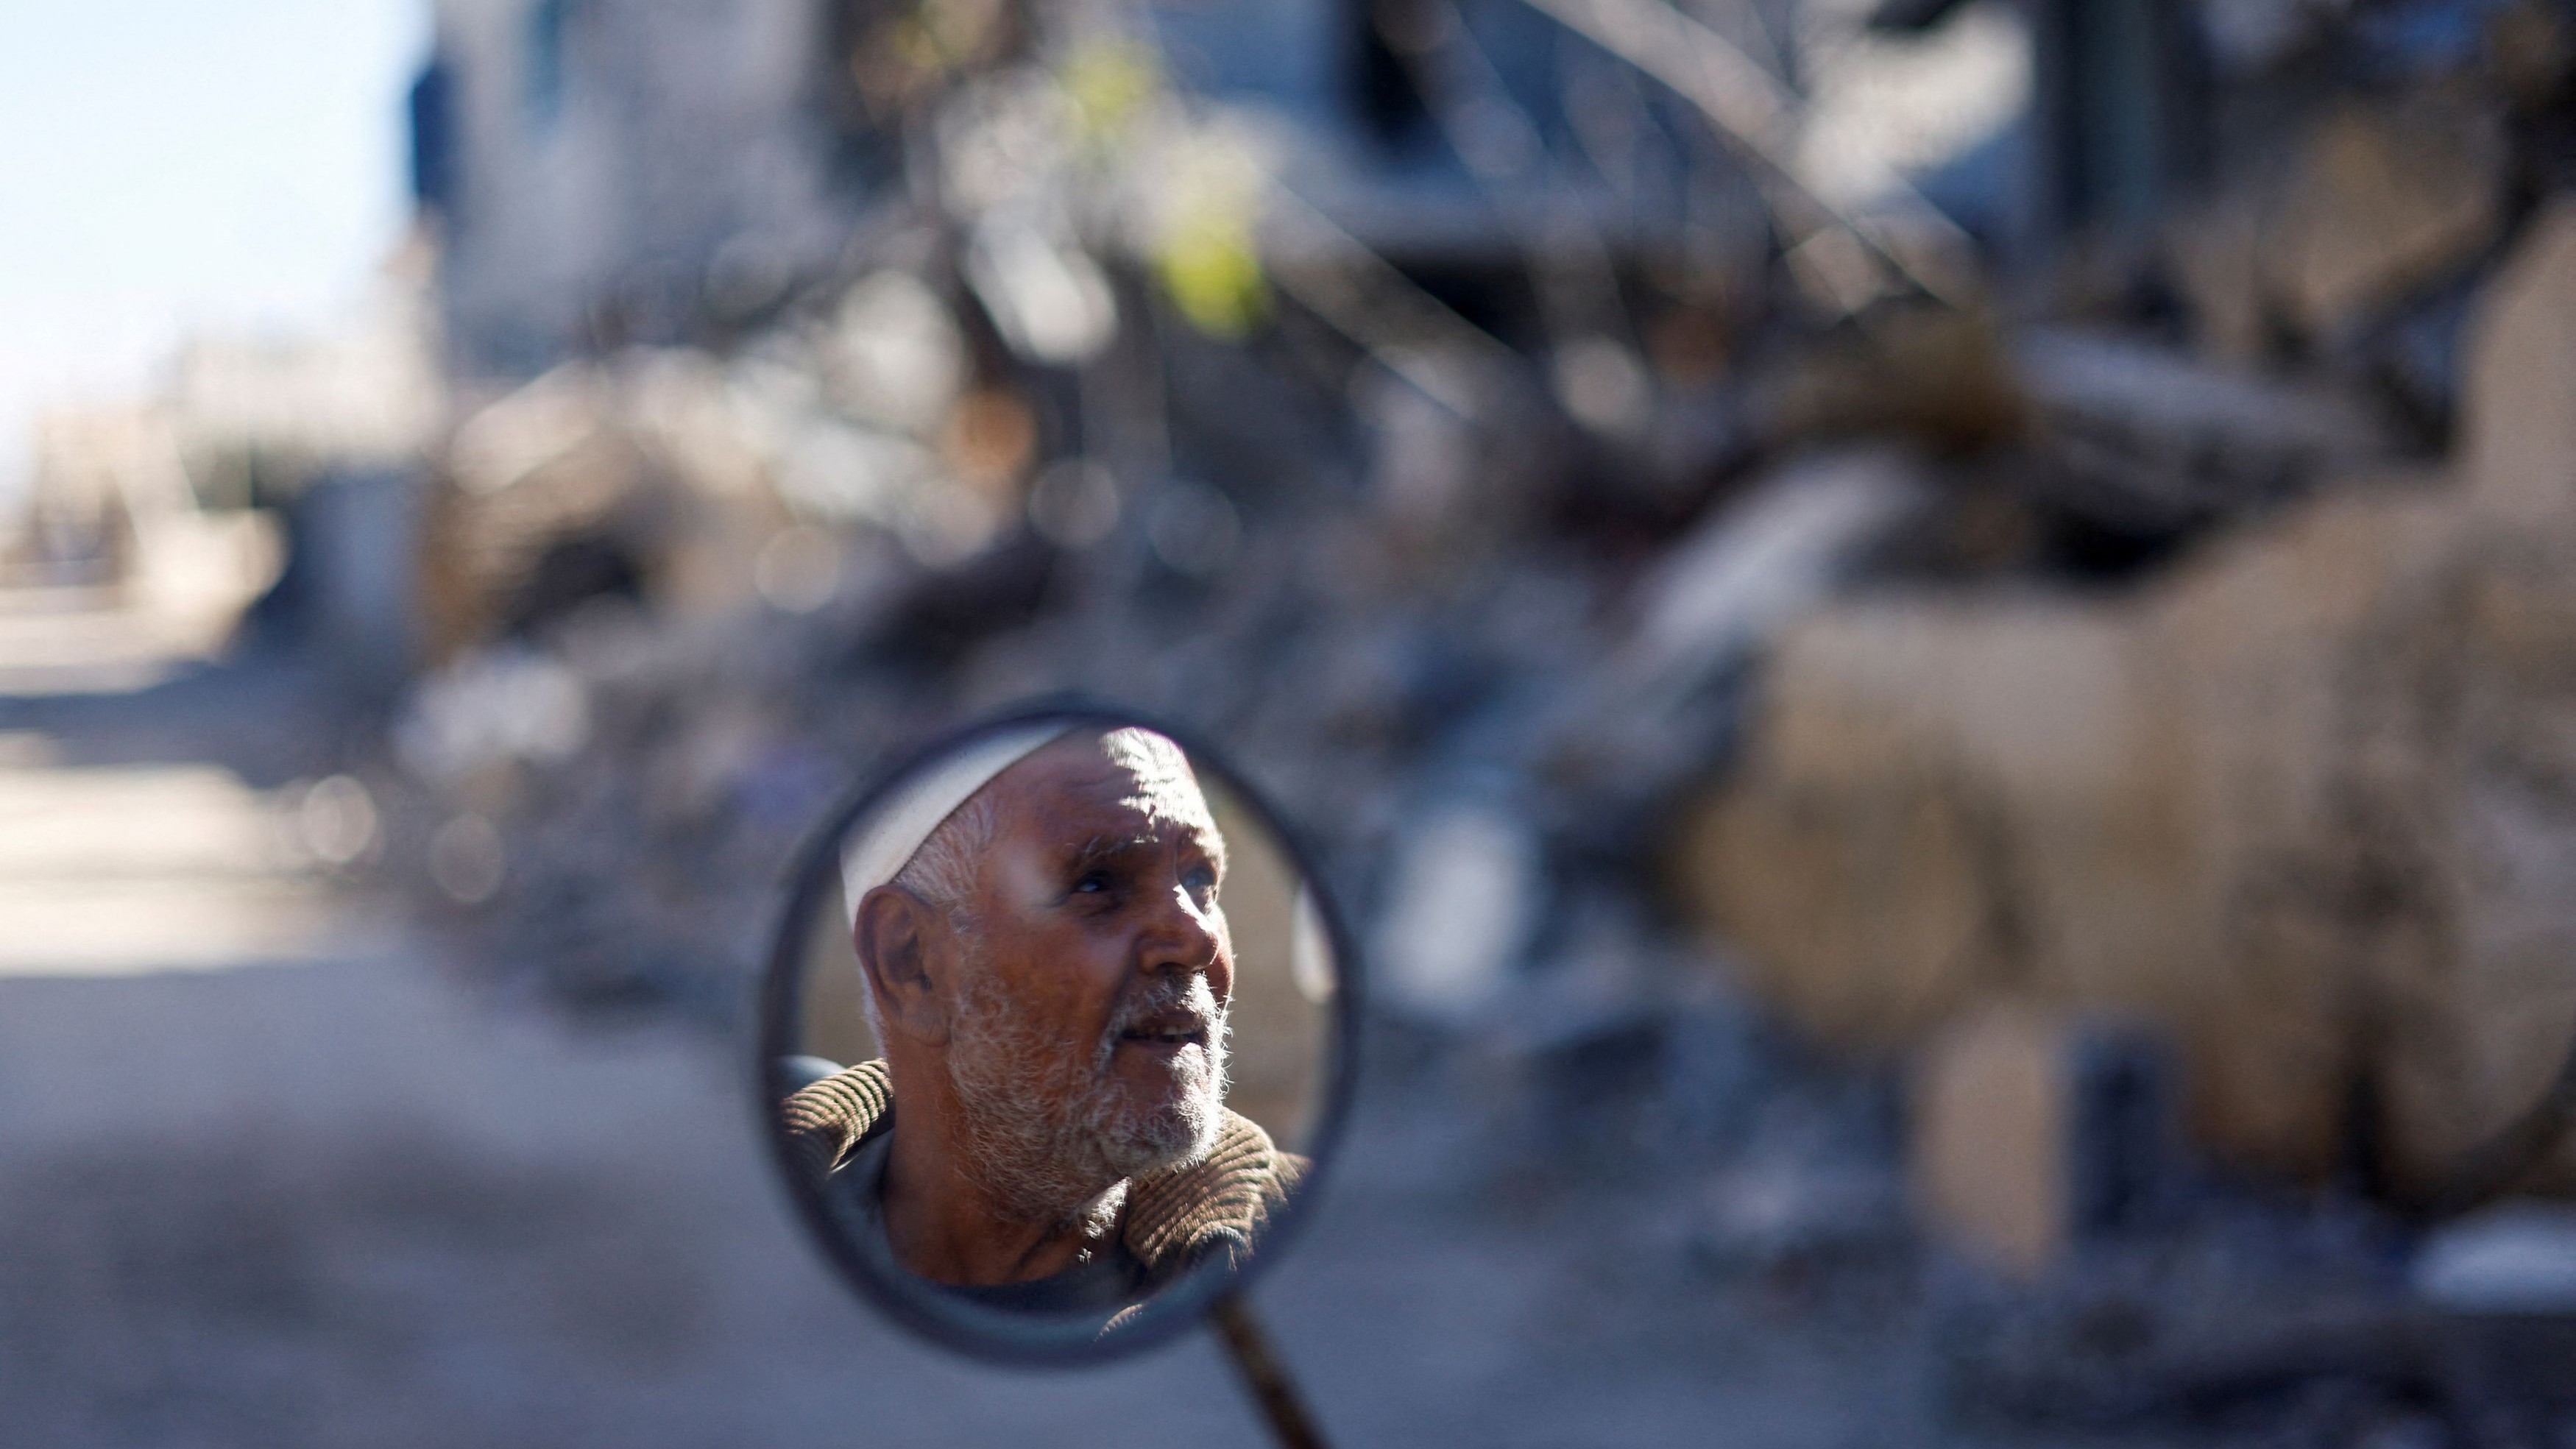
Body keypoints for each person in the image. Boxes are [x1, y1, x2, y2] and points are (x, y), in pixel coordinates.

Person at [780, 724, 1303, 1323]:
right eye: (1097, 883)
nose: (1197, 937)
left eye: (1200, 881)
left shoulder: (1304, 1256)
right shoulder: (758, 1268)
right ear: (912, 964)